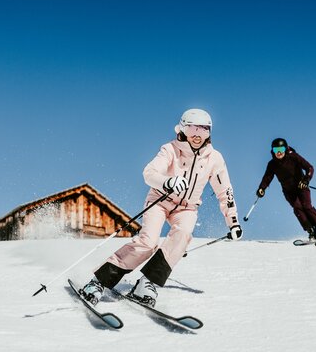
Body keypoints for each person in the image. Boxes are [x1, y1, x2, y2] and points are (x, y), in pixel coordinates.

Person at [81, 108, 242, 307]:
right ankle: (99, 282)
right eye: (192, 129)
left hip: (187, 208)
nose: (197, 135)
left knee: (182, 236)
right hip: (160, 200)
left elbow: (225, 191)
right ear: (183, 128)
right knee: (147, 242)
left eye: (204, 130)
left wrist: (233, 221)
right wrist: (168, 182)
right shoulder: (170, 149)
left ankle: (147, 284)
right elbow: (149, 173)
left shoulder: (214, 158)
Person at [256, 138, 316, 242]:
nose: (279, 152)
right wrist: (261, 188)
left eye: (281, 149)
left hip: (301, 187)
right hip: (288, 191)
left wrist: (305, 180)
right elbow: (267, 177)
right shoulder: (272, 164)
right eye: (276, 149)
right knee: (297, 209)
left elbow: (309, 168)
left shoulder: (293, 157)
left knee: (307, 207)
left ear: (285, 149)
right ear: (272, 151)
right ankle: (311, 232)